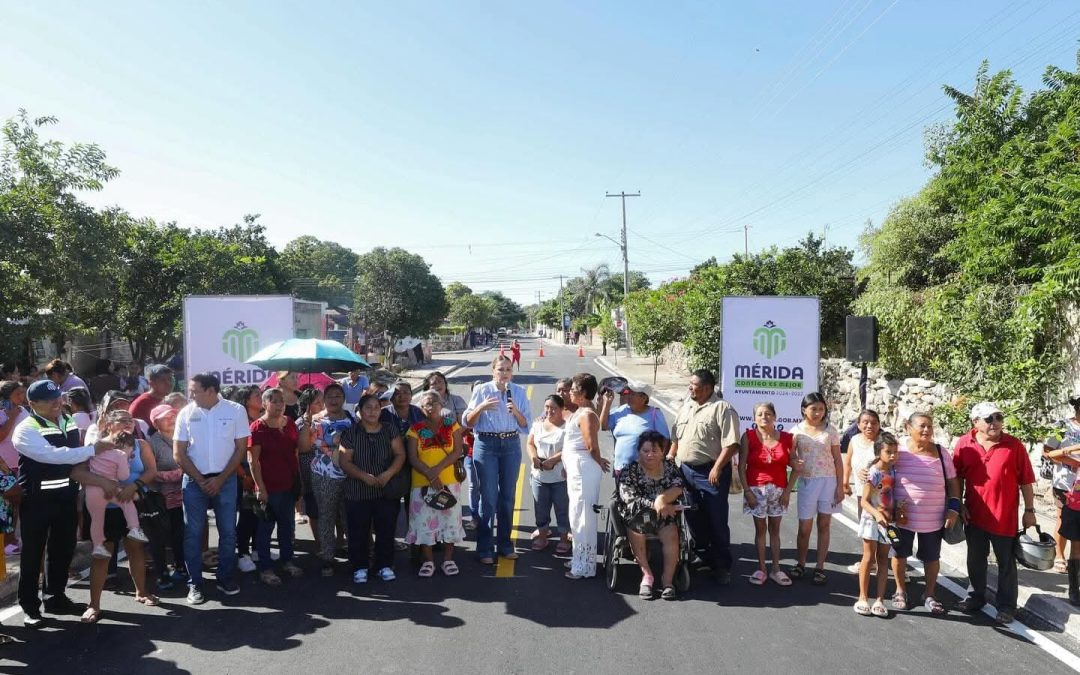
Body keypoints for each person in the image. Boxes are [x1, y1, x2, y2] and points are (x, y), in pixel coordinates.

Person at [11, 380, 116, 627]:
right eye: (49, 400)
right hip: (36, 501)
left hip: (66, 498)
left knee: (62, 550)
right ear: (33, 404)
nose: (57, 403)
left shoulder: (67, 419)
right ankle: (30, 607)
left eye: (58, 397)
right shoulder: (26, 429)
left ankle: (56, 598)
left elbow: (73, 452)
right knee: (32, 554)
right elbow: (53, 456)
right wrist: (92, 450)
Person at [953, 401, 1037, 625]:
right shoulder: (964, 443)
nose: (996, 423)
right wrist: (959, 504)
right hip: (975, 515)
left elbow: (1026, 481)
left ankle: (1007, 606)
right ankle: (976, 596)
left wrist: (1029, 511)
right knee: (975, 559)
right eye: (989, 419)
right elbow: (958, 477)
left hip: (1004, 517)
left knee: (1006, 563)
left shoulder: (1013, 445)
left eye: (998, 417)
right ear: (976, 422)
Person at [173, 372, 250, 604]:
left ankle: (224, 577)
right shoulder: (185, 413)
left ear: (210, 390)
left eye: (194, 390)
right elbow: (179, 453)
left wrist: (220, 479)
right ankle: (195, 583)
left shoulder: (235, 410)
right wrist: (200, 479)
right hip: (194, 482)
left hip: (225, 481)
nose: (191, 394)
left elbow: (240, 449)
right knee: (193, 534)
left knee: (228, 532)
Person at [83, 409, 160, 623]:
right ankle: (93, 605)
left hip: (130, 505)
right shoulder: (95, 446)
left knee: (135, 549)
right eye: (123, 421)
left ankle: (141, 592)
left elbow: (151, 471)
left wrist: (134, 486)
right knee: (102, 556)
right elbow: (78, 472)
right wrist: (103, 484)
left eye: (131, 421)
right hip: (103, 509)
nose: (128, 424)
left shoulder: (140, 444)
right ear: (108, 424)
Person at [668, 369, 741, 585]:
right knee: (693, 516)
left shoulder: (723, 409)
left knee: (716, 520)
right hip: (685, 472)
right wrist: (671, 456)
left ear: (708, 388)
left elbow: (732, 443)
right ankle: (702, 555)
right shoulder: (687, 406)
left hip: (710, 472)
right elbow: (676, 437)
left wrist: (717, 468)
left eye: (694, 384)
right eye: (689, 383)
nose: (690, 387)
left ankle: (722, 566)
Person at [463, 356, 532, 564]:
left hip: (510, 445)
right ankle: (485, 548)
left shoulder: (518, 392)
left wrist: (516, 412)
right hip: (486, 444)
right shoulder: (482, 390)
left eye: (508, 369)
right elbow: (467, 421)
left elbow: (526, 426)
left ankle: (505, 545)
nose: (504, 374)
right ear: (493, 371)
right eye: (501, 369)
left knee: (507, 498)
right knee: (489, 498)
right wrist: (481, 407)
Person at [888, 412, 959, 615]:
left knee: (932, 558)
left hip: (933, 518)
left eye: (929, 426)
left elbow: (953, 481)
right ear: (908, 428)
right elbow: (880, 466)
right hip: (902, 517)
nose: (927, 430)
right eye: (922, 426)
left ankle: (929, 594)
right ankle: (900, 591)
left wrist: (953, 508)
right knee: (900, 554)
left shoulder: (940, 452)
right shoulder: (898, 449)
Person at [338, 393, 407, 583]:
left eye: (376, 407)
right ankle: (359, 566)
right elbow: (345, 461)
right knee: (358, 530)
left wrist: (388, 474)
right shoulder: (351, 433)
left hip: (385, 489)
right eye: (368, 408)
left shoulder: (390, 429)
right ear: (359, 412)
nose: (372, 411)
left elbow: (400, 454)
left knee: (386, 529)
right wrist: (363, 476)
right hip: (357, 490)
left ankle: (383, 565)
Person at [405, 391, 465, 577]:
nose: (431, 407)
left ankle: (448, 559)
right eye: (426, 404)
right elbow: (413, 458)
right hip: (422, 483)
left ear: (441, 404)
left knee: (450, 521)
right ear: (421, 408)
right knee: (423, 522)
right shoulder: (415, 429)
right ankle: (429, 561)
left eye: (434, 402)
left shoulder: (451, 424)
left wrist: (436, 471)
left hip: (448, 482)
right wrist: (431, 476)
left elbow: (457, 451)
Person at [617, 431, 683, 600]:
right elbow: (628, 497)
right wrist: (657, 505)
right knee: (636, 528)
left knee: (672, 535)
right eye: (645, 451)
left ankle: (667, 581)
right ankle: (647, 576)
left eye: (654, 451)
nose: (650, 455)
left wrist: (663, 498)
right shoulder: (630, 471)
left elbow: (678, 487)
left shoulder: (669, 467)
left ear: (662, 452)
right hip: (638, 515)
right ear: (639, 451)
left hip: (664, 514)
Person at [248, 388, 303, 586]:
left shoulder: (289, 423)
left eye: (282, 401)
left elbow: (295, 452)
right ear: (264, 404)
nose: (280, 404)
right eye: (274, 401)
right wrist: (260, 487)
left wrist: (298, 480)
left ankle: (287, 561)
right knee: (265, 530)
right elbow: (254, 461)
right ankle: (266, 568)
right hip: (268, 488)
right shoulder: (257, 428)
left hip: (288, 485)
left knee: (287, 527)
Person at [738, 402, 797, 587]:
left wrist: (788, 492)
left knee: (775, 530)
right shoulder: (748, 437)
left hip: (779, 490)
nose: (765, 417)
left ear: (775, 416)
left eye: (768, 413)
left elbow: (795, 467)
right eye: (760, 414)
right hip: (756, 490)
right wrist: (747, 491)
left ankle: (776, 569)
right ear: (754, 418)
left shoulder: (788, 438)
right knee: (761, 529)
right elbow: (741, 467)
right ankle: (762, 569)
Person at [789, 392, 843, 586]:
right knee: (804, 527)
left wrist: (840, 486)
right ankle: (801, 563)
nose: (818, 413)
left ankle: (820, 567)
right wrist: (794, 460)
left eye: (821, 409)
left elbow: (838, 459)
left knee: (824, 525)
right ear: (804, 409)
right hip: (806, 482)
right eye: (814, 409)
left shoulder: (831, 431)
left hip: (829, 481)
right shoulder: (795, 431)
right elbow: (789, 457)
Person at [563, 373, 610, 579]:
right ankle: (579, 557)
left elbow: (591, 446)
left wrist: (599, 461)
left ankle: (584, 566)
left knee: (582, 516)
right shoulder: (582, 411)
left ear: (582, 393)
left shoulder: (587, 414)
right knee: (576, 515)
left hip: (583, 470)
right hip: (576, 469)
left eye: (573, 389)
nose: (569, 392)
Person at [304, 382, 353, 577]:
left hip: (349, 474)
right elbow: (305, 447)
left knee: (349, 516)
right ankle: (327, 558)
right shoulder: (314, 420)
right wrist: (306, 426)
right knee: (326, 516)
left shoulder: (352, 419)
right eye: (330, 396)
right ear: (324, 400)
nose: (334, 400)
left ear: (344, 399)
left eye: (338, 396)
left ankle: (355, 554)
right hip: (323, 475)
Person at [854, 432, 899, 618]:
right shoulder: (873, 473)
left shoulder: (894, 471)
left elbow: (891, 496)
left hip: (888, 521)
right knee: (868, 558)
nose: (893, 455)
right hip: (871, 520)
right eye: (888, 451)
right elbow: (864, 501)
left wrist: (898, 510)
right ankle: (862, 597)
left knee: (883, 559)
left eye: (895, 451)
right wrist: (876, 514)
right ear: (878, 451)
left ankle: (880, 599)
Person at [85, 430, 148, 557]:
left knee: (97, 519)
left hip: (92, 490)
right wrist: (127, 464)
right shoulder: (120, 455)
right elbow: (123, 476)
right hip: (112, 488)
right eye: (132, 449)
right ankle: (134, 528)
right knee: (127, 503)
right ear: (127, 446)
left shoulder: (97, 451)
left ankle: (98, 546)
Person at [147, 404, 187, 590]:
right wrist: (178, 473)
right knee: (160, 537)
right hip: (160, 497)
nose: (171, 419)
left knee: (180, 534)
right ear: (156, 423)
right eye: (165, 417)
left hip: (184, 495)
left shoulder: (184, 435)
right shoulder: (152, 443)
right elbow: (150, 472)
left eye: (173, 415)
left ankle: (181, 567)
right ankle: (162, 573)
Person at [525, 394, 571, 554]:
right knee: (540, 509)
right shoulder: (538, 425)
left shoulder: (567, 427)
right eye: (547, 407)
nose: (549, 411)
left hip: (559, 477)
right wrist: (534, 458)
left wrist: (553, 460)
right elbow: (530, 443)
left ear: (561, 409)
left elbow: (569, 449)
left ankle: (564, 538)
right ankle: (542, 537)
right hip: (539, 475)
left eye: (553, 408)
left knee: (562, 509)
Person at [1043, 394, 1080, 574]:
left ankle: (1075, 559)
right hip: (1065, 481)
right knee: (1062, 518)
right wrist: (1072, 461)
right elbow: (1047, 452)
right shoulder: (1062, 426)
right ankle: (1060, 556)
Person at [842, 409, 882, 573]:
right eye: (865, 422)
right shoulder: (855, 440)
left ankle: (887, 564)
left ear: (879, 425)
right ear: (858, 425)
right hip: (861, 492)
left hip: (881, 494)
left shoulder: (883, 442)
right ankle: (870, 561)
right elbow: (848, 462)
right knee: (866, 527)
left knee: (883, 527)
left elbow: (891, 463)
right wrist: (845, 481)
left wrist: (873, 471)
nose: (869, 425)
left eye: (873, 422)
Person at [228, 384, 263, 573]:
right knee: (247, 514)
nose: (260, 397)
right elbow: (233, 452)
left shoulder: (264, 419)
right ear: (246, 400)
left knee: (260, 512)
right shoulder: (239, 421)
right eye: (256, 395)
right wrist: (243, 475)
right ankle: (242, 553)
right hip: (243, 474)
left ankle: (257, 549)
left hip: (261, 472)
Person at [599, 383, 670, 475]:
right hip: (621, 468)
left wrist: (658, 462)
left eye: (633, 394)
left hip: (644, 470)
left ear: (643, 398)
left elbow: (666, 440)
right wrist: (607, 404)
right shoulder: (621, 411)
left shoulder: (654, 414)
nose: (629, 396)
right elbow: (604, 426)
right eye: (629, 393)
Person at [0, 380, 28, 555]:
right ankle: (7, 542)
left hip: (19, 461)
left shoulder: (23, 409)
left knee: (15, 503)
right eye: (18, 394)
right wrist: (10, 417)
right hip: (3, 464)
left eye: (23, 393)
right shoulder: (3, 411)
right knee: (7, 502)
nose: (22, 397)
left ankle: (11, 540)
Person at [294, 387, 325, 538]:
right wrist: (307, 426)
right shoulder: (300, 423)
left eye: (322, 401)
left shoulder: (326, 419)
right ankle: (319, 543)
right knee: (315, 510)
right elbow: (303, 448)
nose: (322, 405)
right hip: (310, 474)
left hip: (327, 473)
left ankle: (337, 541)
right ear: (307, 405)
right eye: (317, 402)